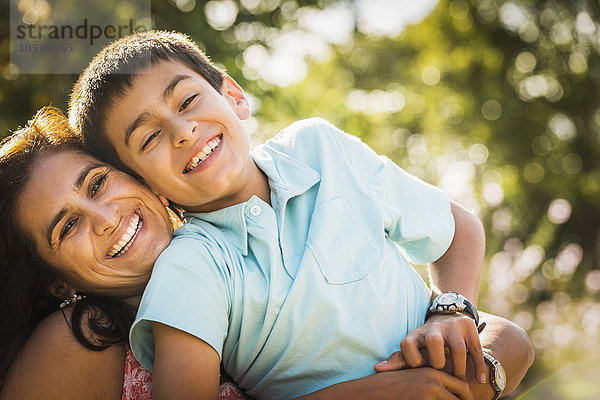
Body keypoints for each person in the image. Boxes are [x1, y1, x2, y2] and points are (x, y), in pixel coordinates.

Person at [64, 31, 531, 399]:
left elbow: (456, 228)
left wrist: (450, 311)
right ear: (146, 187)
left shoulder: (319, 149)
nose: (183, 131)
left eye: (187, 101)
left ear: (233, 95)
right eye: (149, 138)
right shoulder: (192, 267)